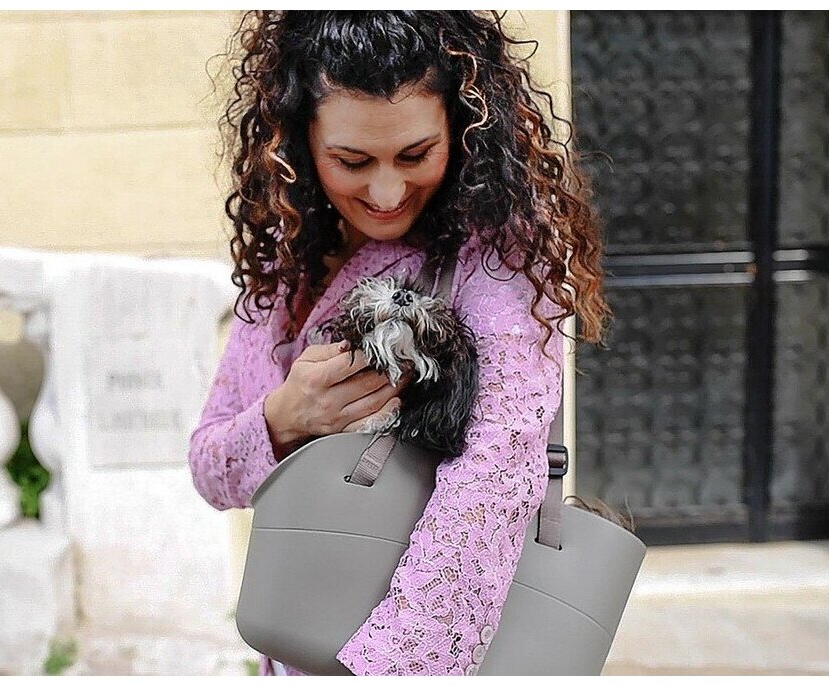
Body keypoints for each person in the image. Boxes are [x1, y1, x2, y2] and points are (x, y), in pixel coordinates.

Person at [188, 11, 610, 676]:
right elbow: (211, 472)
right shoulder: (285, 254)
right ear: (301, 139)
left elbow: (495, 479)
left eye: (415, 155)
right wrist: (282, 420)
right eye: (351, 161)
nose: (386, 192)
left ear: (462, 129)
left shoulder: (495, 256)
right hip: (297, 641)